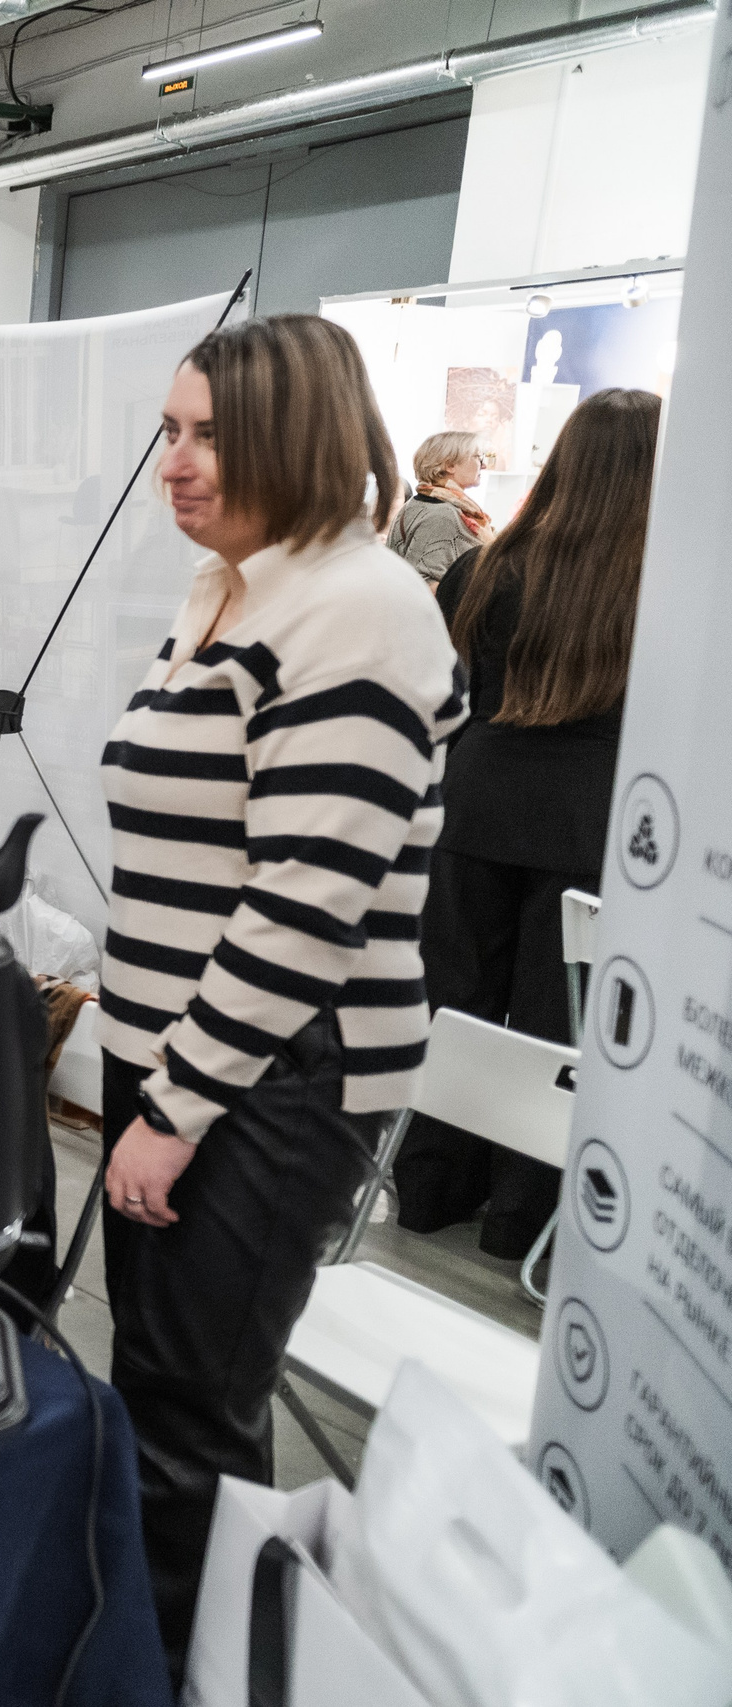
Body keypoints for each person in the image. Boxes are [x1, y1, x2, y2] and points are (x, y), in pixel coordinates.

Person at [96, 315, 462, 1679]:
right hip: (191, 1061)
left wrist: (177, 1103)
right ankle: (167, 1652)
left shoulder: (360, 608)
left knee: (190, 1413)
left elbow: (308, 903)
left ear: (291, 437)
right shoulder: (231, 589)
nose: (173, 465)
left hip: (276, 1076)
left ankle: (194, 1671)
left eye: (205, 435)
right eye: (170, 432)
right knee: (163, 1395)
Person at [392, 389, 661, 1256]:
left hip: (475, 803)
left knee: (454, 1004)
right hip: (591, 823)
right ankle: (520, 1218)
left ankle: (429, 1188)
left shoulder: (488, 564)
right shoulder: (659, 585)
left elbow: (449, 682)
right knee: (557, 1027)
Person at [386, 429, 495, 585]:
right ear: (450, 465)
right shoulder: (441, 514)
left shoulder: (425, 503)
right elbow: (425, 583)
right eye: (478, 457)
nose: (483, 465)